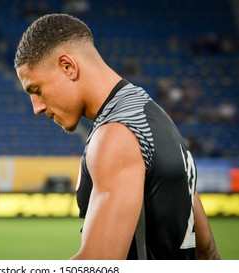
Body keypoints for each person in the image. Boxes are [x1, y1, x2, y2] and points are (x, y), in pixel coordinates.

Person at [14, 14, 220, 260]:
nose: (36, 107)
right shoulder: (154, 117)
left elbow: (99, 266)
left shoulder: (116, 135)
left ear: (68, 66)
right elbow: (206, 250)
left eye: (36, 90)